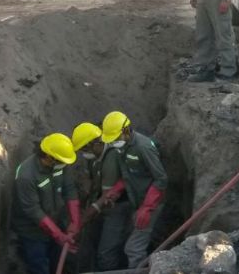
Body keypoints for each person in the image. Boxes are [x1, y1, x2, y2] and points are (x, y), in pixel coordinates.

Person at [100, 111, 167, 269]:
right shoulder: (123, 148)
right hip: (137, 201)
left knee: (133, 249)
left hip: (152, 203)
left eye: (115, 139)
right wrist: (115, 190)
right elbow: (129, 175)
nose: (113, 143)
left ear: (126, 131)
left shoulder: (143, 147)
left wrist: (147, 207)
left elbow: (161, 179)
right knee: (132, 240)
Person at [11, 133, 81, 274]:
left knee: (56, 261)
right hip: (32, 231)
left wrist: (75, 220)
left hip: (55, 222)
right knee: (39, 266)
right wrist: (59, 236)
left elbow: (70, 189)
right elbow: (33, 210)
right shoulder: (26, 175)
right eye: (62, 162)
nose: (65, 165)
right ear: (49, 157)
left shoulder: (61, 164)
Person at [69, 122, 107, 272]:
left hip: (116, 206)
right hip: (97, 204)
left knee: (106, 251)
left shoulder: (112, 156)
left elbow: (111, 191)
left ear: (94, 143)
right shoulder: (92, 156)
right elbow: (88, 180)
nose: (84, 153)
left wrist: (85, 216)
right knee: (88, 242)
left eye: (85, 148)